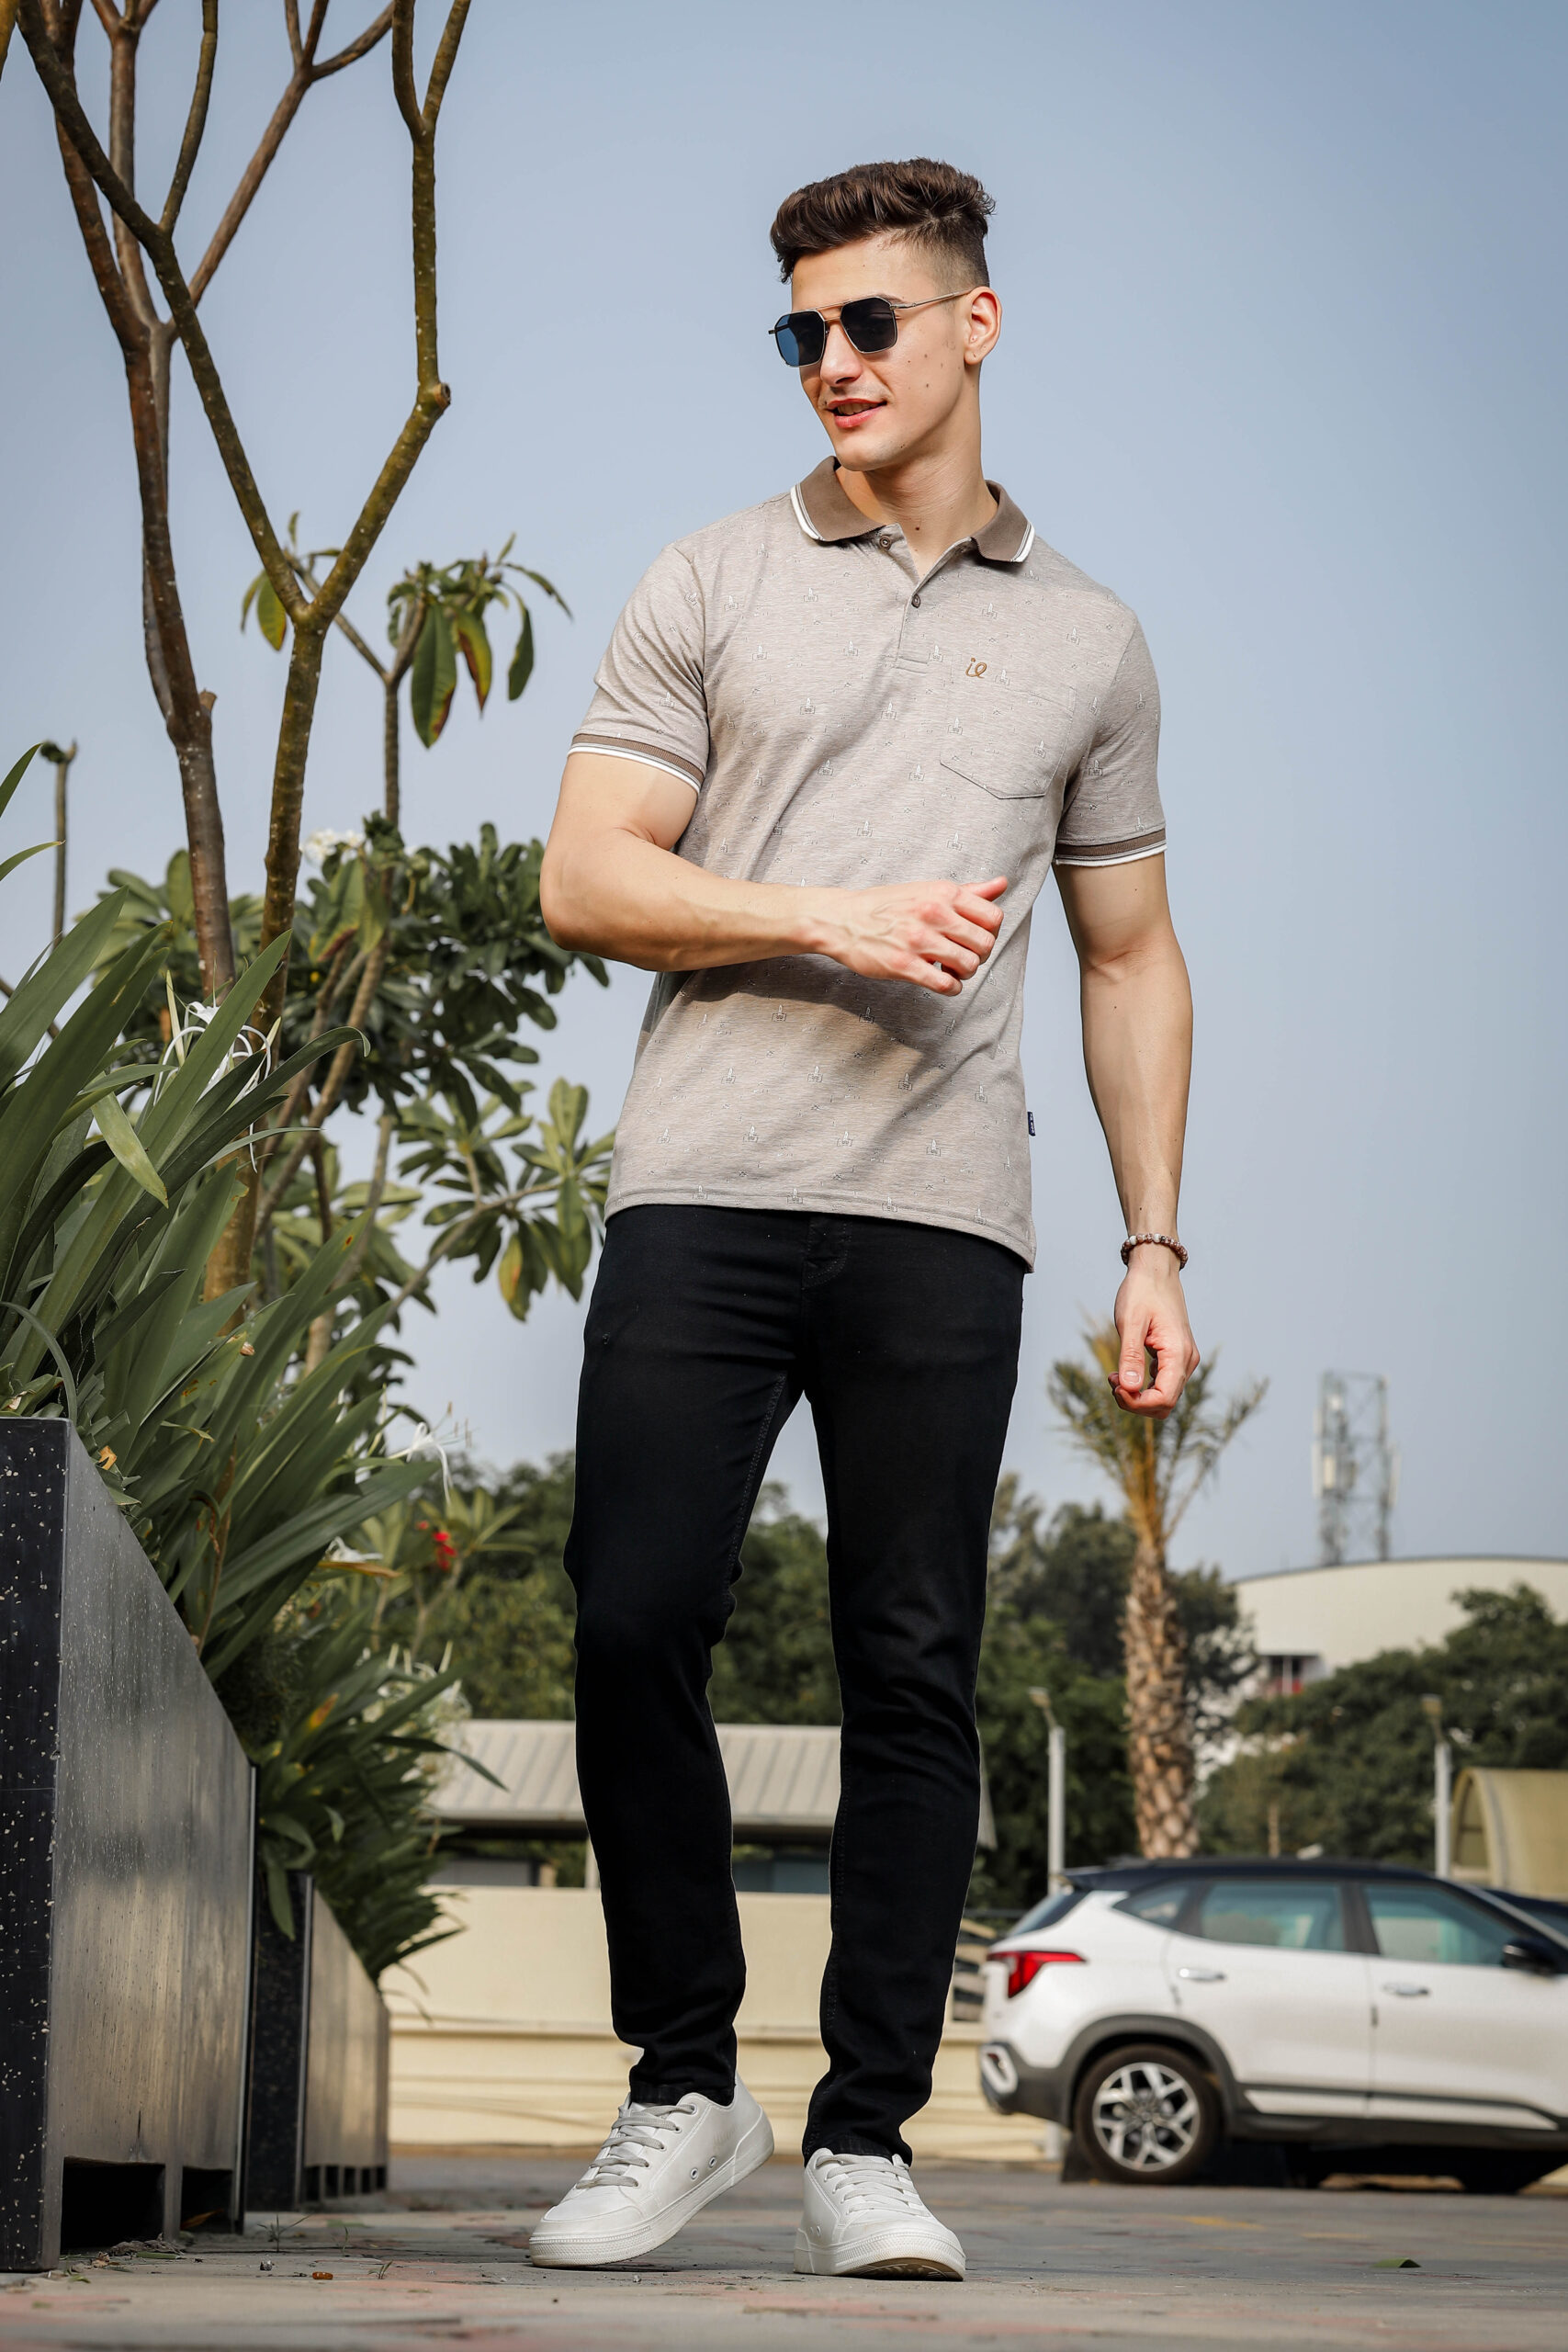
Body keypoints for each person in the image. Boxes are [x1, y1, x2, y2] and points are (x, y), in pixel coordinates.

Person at [528, 156, 1199, 2280]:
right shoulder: (710, 577)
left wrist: (1152, 1242)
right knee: (632, 1614)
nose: (830, 359)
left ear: (971, 323)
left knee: (911, 1662)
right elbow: (584, 873)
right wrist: (828, 913)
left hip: (942, 1212)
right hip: (704, 1183)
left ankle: (861, 2134)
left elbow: (1127, 956)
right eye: (799, 330)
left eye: (868, 321)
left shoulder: (1088, 639)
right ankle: (682, 2083)